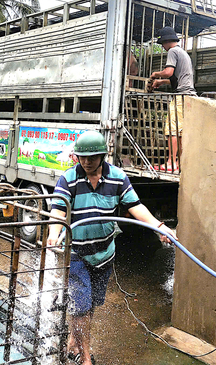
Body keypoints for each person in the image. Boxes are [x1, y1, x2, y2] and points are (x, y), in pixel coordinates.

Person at [46, 131, 176, 365]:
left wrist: (159, 228)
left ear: (103, 156)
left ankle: (74, 341)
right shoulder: (68, 179)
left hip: (104, 253)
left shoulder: (117, 178)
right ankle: (85, 357)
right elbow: (58, 211)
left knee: (90, 304)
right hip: (75, 253)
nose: (86, 162)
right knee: (81, 304)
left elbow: (135, 206)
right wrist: (54, 235)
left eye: (92, 157)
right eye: (81, 157)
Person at [149, 26, 197, 173]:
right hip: (189, 96)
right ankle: (179, 163)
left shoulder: (173, 51)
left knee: (172, 130)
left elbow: (168, 72)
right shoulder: (183, 53)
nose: (162, 47)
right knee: (181, 131)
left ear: (165, 41)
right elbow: (175, 78)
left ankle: (171, 163)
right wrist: (161, 82)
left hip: (180, 96)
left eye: (162, 44)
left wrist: (155, 75)